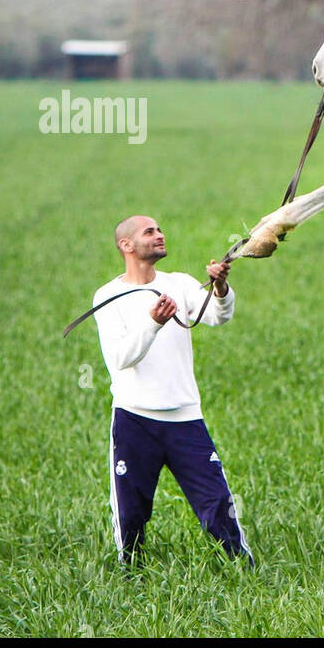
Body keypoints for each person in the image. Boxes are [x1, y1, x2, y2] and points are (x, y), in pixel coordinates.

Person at [92, 215, 253, 567]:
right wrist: (153, 323)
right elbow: (120, 358)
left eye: (160, 229)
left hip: (185, 418)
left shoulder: (179, 284)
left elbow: (218, 317)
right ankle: (131, 574)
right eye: (149, 232)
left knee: (216, 503)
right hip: (135, 420)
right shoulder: (108, 296)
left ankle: (244, 570)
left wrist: (220, 289)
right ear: (127, 245)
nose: (160, 235)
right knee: (132, 511)